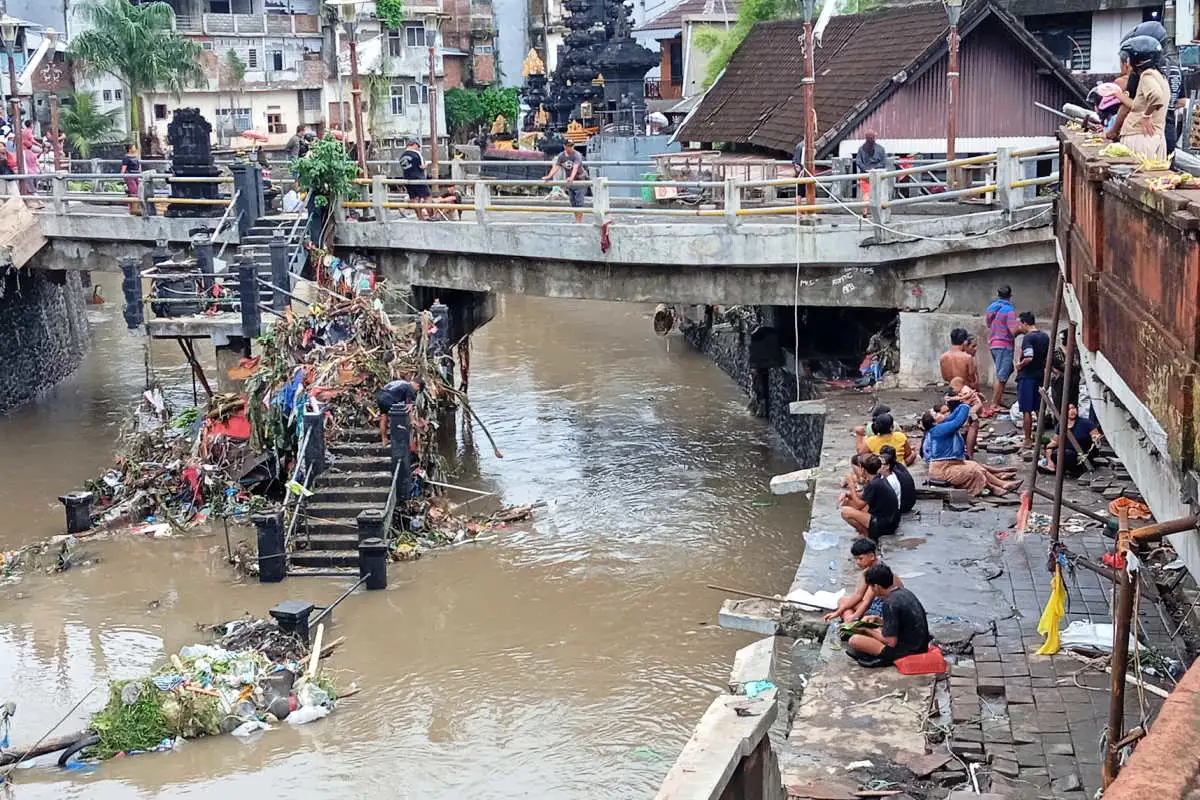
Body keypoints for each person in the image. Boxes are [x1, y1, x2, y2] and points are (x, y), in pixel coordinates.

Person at [920, 401, 1020, 496]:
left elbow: (953, 415)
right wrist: (966, 405)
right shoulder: (938, 429)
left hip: (951, 464)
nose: (941, 414)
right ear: (934, 422)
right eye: (936, 415)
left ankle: (1002, 483)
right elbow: (958, 421)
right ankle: (993, 488)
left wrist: (962, 404)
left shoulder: (942, 424)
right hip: (942, 470)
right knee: (973, 471)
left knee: (975, 465)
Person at [846, 564, 930, 668]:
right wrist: (877, 619)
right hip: (921, 645)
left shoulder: (889, 602)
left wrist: (866, 629)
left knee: (854, 640)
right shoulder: (905, 592)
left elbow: (891, 642)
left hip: (908, 651)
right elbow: (901, 621)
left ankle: (884, 658)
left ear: (876, 586)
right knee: (875, 633)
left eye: (871, 587)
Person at [824, 538, 905, 624]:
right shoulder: (867, 571)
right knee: (842, 601)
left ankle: (850, 621)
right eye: (856, 559)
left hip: (888, 607)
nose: (857, 562)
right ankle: (849, 619)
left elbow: (867, 602)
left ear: (872, 556)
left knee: (848, 609)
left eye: (860, 559)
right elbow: (858, 595)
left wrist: (853, 617)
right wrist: (837, 612)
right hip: (878, 602)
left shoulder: (877, 573)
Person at [1114, 35, 1168, 161]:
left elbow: (1156, 96)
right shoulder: (1160, 76)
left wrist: (1146, 116)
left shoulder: (1147, 75)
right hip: (1154, 137)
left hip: (1141, 138)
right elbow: (1139, 105)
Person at [839, 454, 900, 541]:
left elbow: (859, 505)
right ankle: (864, 532)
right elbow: (864, 495)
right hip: (887, 519)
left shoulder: (874, 484)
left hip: (884, 524)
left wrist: (851, 485)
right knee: (847, 501)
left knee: (845, 512)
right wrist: (848, 494)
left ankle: (866, 535)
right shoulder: (878, 478)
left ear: (863, 469)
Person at [1015, 311, 1050, 450]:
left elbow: (1029, 357)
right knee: (1039, 408)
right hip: (1040, 376)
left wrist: (1020, 365)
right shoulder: (1045, 336)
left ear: (1024, 323)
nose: (1019, 327)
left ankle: (1028, 439)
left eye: (1020, 324)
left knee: (1026, 410)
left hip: (1027, 377)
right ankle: (1040, 437)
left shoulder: (1028, 338)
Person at [1042, 403, 1103, 475]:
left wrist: (1096, 438)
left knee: (1067, 455)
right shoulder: (1061, 425)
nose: (1072, 411)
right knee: (1054, 452)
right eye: (1068, 409)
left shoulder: (1086, 423)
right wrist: (1049, 459)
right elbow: (1054, 442)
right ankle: (1052, 466)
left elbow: (1096, 437)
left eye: (1073, 408)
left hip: (1082, 456)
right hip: (1065, 453)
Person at [985, 285, 1019, 411]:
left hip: (994, 343)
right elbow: (1012, 331)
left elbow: (988, 324)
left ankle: (997, 399)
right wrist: (1022, 329)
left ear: (998, 295)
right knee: (1002, 375)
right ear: (1010, 296)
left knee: (1007, 370)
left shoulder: (991, 307)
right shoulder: (1009, 310)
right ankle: (995, 404)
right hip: (1004, 345)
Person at [544, 140, 588, 223]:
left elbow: (575, 167)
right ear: (564, 146)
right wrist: (549, 176)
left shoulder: (577, 155)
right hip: (570, 182)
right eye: (568, 146)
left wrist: (571, 177)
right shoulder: (561, 156)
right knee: (573, 202)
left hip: (580, 180)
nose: (570, 148)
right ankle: (577, 220)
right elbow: (556, 167)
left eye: (572, 146)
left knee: (579, 201)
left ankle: (579, 221)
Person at [948, 376, 983, 458]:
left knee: (972, 417)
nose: (953, 390)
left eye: (954, 388)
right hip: (971, 406)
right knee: (971, 425)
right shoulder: (962, 391)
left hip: (975, 405)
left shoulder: (965, 389)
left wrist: (957, 398)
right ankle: (969, 452)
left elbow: (967, 397)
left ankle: (969, 452)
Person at [376, 378, 418, 445]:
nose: (416, 390)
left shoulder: (401, 383)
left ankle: (384, 439)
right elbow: (408, 406)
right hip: (388, 398)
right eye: (418, 388)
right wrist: (412, 420)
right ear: (417, 385)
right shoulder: (409, 387)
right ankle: (397, 440)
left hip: (380, 396)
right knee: (398, 417)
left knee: (384, 417)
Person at [399, 139, 430, 220]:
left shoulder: (402, 156)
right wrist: (427, 164)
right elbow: (422, 166)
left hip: (407, 179)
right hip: (419, 179)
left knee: (414, 199)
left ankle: (420, 217)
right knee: (427, 197)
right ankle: (431, 216)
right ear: (414, 144)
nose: (419, 148)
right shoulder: (416, 154)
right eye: (418, 146)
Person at [879, 445, 916, 514]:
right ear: (895, 457)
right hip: (910, 504)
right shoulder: (901, 466)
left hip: (900, 507)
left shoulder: (887, 472)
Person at [855, 130, 887, 208]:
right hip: (877, 175)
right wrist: (873, 169)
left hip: (865, 175)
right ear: (874, 138)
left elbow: (858, 162)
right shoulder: (881, 149)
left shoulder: (861, 149)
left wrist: (866, 169)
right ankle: (877, 211)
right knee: (878, 194)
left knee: (866, 195)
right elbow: (883, 163)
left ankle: (865, 211)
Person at [20, 120, 42, 206]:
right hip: (29, 151)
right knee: (40, 150)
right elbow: (32, 140)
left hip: (31, 164)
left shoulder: (25, 131)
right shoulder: (28, 131)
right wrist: (39, 144)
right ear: (31, 125)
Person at [121, 143, 141, 216]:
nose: (135, 149)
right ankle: (133, 209)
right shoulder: (126, 158)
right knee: (134, 191)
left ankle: (135, 208)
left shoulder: (135, 157)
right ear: (130, 149)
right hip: (130, 176)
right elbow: (123, 169)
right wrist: (123, 177)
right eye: (133, 147)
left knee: (138, 191)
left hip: (136, 175)